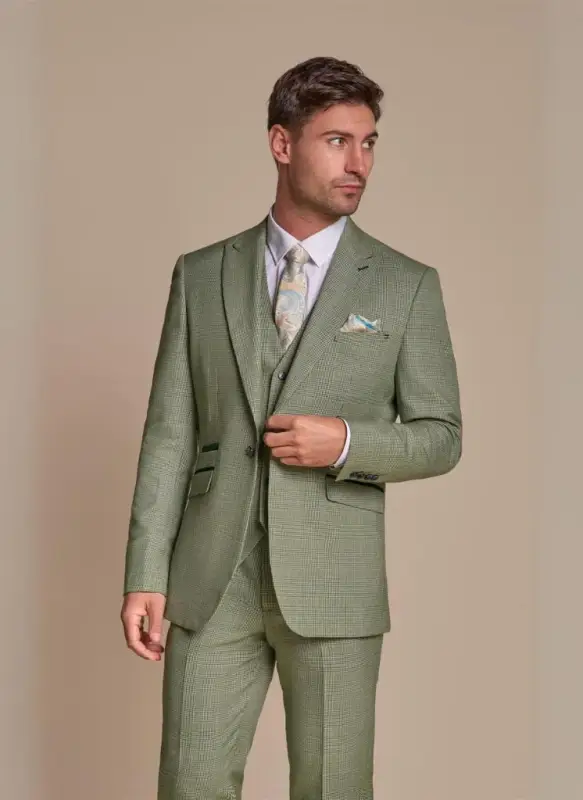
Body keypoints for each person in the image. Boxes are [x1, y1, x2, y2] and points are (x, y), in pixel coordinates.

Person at [120, 55, 462, 800]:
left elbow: (441, 435)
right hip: (211, 578)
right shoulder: (201, 274)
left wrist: (345, 442)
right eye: (337, 141)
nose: (358, 162)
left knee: (333, 788)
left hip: (334, 581)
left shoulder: (405, 285)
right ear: (282, 143)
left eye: (368, 143)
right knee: (189, 785)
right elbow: (169, 433)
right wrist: (145, 573)